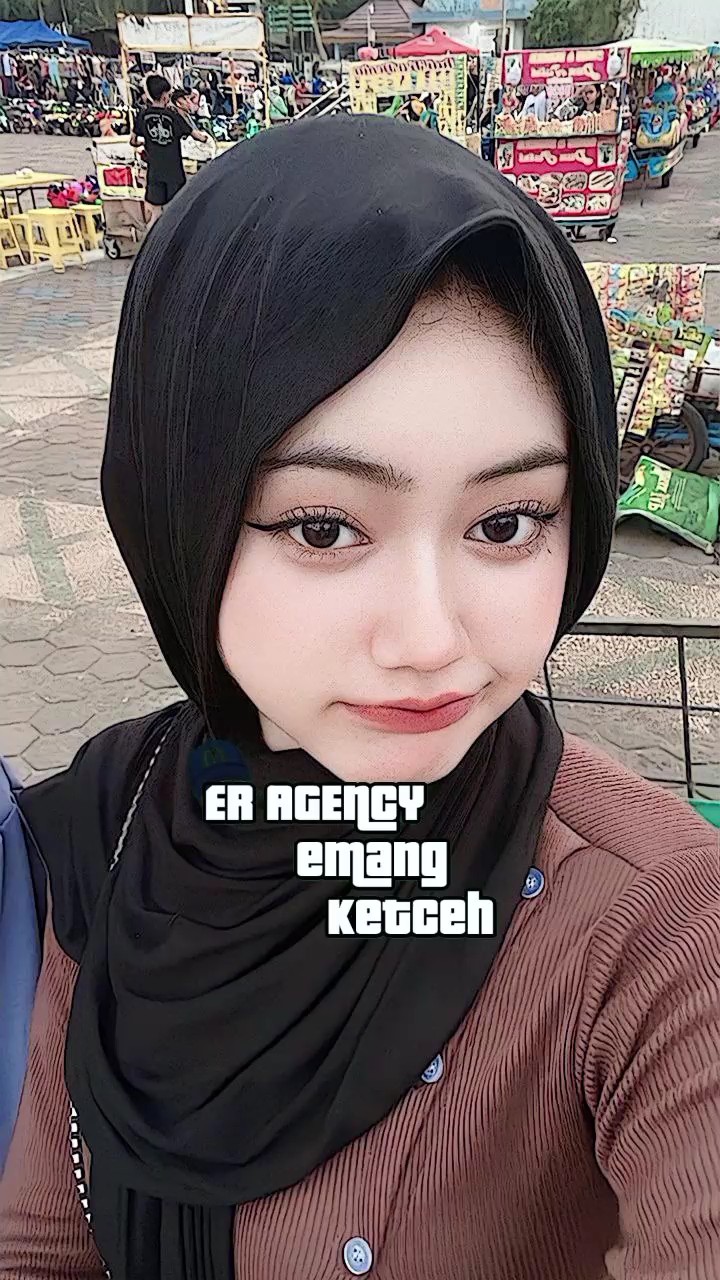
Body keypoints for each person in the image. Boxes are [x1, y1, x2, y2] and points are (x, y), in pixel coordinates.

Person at [0, 115, 718, 1280]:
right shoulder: (120, 822)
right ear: (178, 513)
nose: (431, 640)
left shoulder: (658, 922)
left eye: (507, 521)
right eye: (324, 527)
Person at [130, 73, 206, 228]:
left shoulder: (142, 115)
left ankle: (152, 240)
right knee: (176, 212)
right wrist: (205, 138)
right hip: (174, 173)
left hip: (154, 172)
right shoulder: (173, 116)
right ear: (164, 95)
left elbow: (133, 141)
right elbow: (197, 136)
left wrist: (145, 142)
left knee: (155, 214)